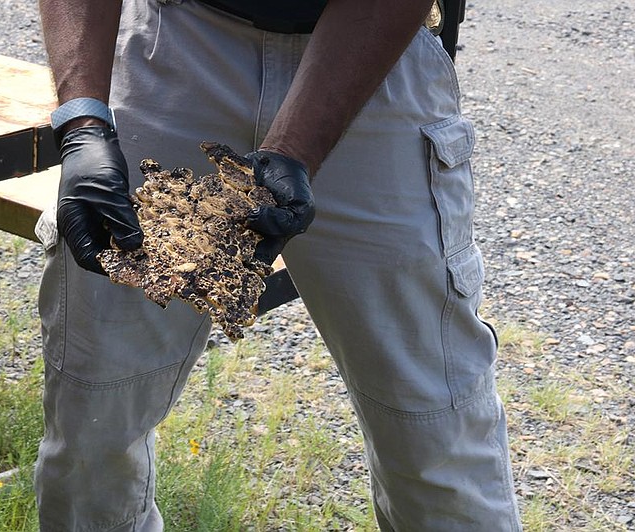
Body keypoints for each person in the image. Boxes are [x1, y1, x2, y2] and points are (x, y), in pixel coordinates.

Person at [33, 0, 523, 530]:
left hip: (372, 59)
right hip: (176, 45)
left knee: (432, 434)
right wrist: (82, 120)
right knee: (92, 417)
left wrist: (295, 147)